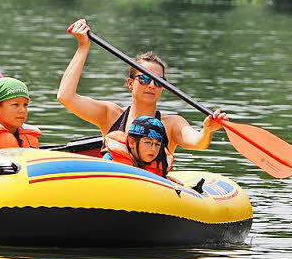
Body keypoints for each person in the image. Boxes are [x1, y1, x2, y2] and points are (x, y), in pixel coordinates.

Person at [56, 17, 226, 157]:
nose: (152, 85)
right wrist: (83, 47)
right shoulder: (110, 114)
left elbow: (197, 142)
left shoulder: (172, 123)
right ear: (131, 83)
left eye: (158, 82)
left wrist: (207, 130)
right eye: (144, 79)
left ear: (163, 87)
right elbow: (65, 97)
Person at [103, 115, 172, 177]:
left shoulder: (162, 163)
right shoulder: (110, 160)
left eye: (157, 144)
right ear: (132, 142)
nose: (153, 149)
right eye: (147, 142)